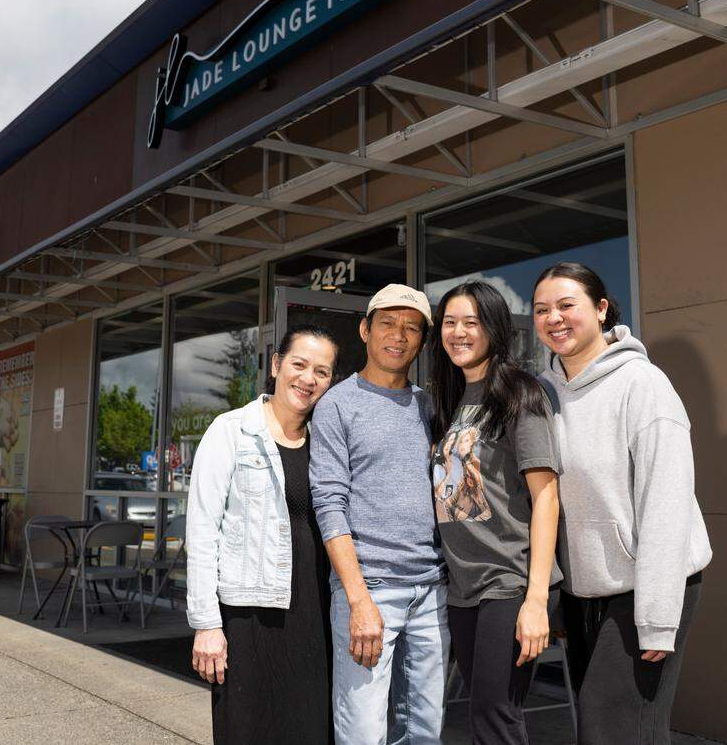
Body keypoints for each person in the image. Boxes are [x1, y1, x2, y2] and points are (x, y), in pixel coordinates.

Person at [532, 262, 712, 744]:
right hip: (583, 588)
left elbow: (666, 504)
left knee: (614, 728)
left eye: (567, 305)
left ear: (602, 309)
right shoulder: (543, 393)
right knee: (608, 729)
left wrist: (655, 618)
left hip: (646, 582)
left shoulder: (643, 385)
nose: (554, 318)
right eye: (542, 309)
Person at [186, 325, 339, 745]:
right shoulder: (230, 431)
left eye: (322, 372)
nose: (309, 379)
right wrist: (206, 625)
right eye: (299, 365)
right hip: (249, 616)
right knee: (248, 731)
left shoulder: (327, 440)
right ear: (276, 365)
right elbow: (202, 532)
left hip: (315, 615)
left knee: (309, 729)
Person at [309, 283, 448, 744]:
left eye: (412, 328)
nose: (399, 335)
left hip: (432, 591)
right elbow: (329, 504)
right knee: (363, 733)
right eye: (387, 323)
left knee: (425, 731)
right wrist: (358, 600)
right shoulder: (336, 405)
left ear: (423, 341)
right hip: (370, 591)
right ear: (365, 330)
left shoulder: (430, 407)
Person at [427, 281, 561, 744]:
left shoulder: (521, 395)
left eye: (471, 322)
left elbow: (546, 496)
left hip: (509, 583)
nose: (458, 332)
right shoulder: (446, 400)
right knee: (481, 717)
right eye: (449, 322)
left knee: (495, 715)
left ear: (494, 328)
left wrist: (537, 600)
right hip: (462, 588)